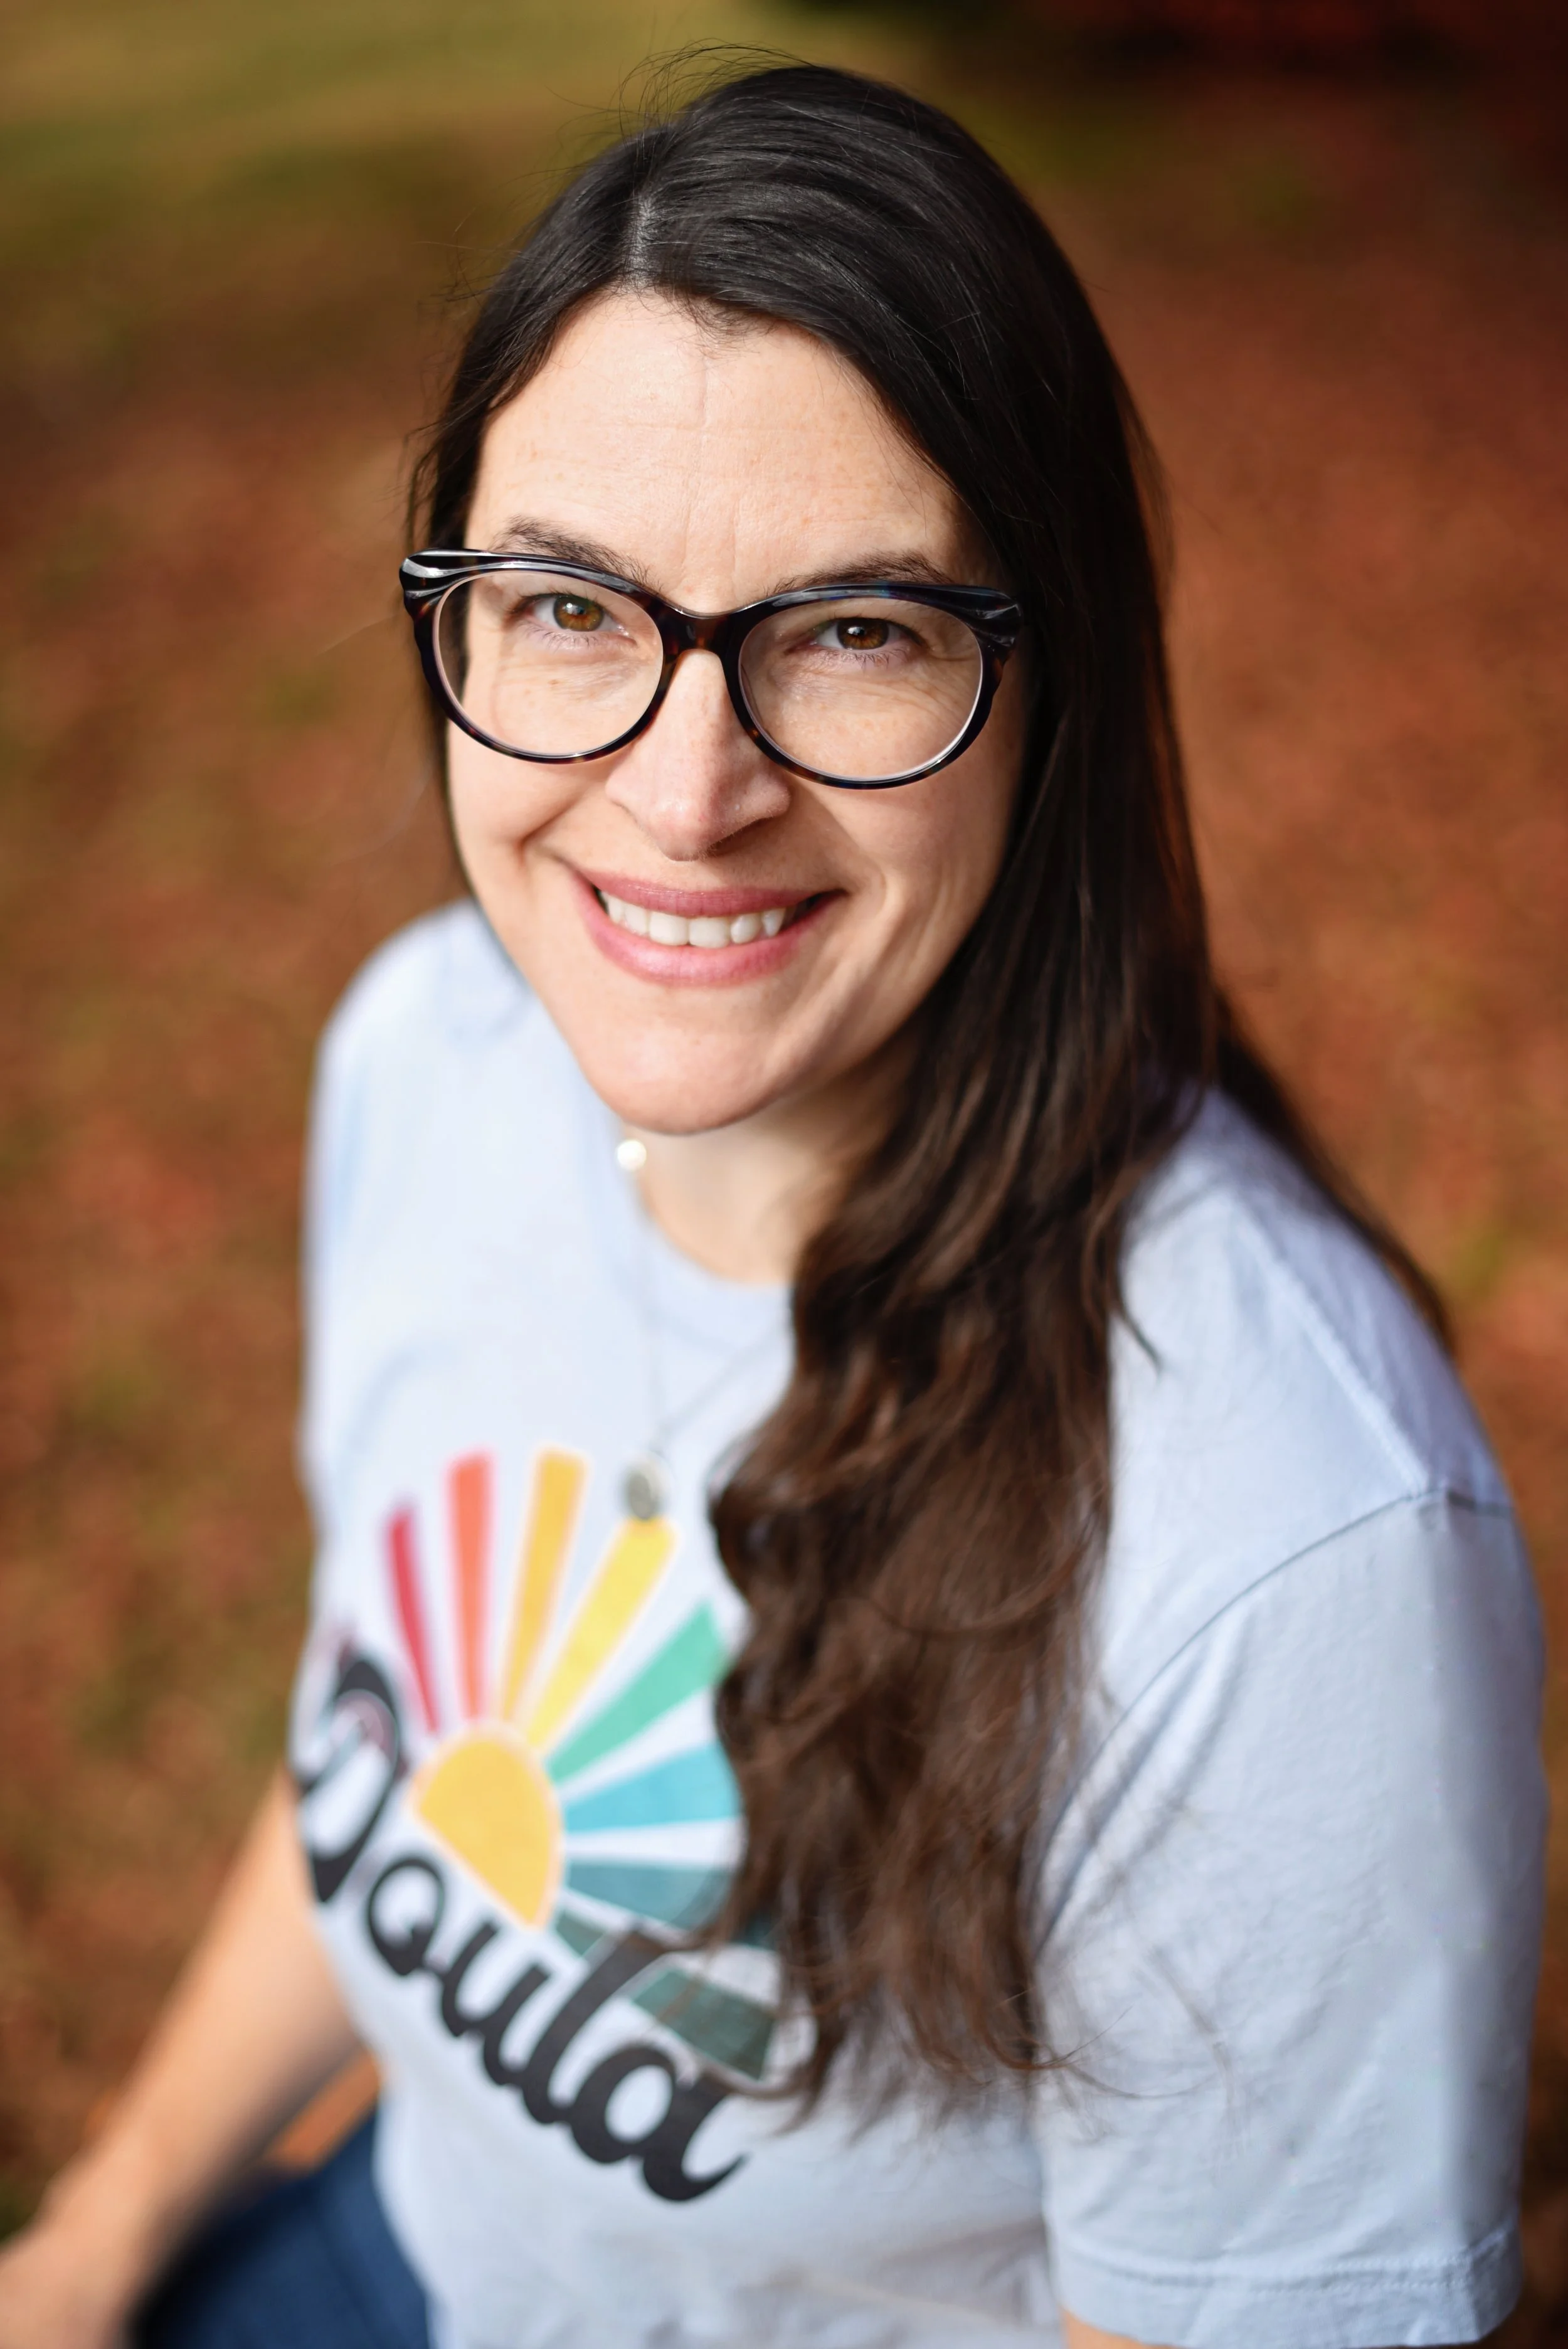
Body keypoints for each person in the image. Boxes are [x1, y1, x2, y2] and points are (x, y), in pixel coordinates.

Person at [0, 58, 1544, 2349]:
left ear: (1056, 694)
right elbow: (403, 1757)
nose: (681, 790)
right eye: (565, 609)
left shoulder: (1277, 1551)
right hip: (385, 2261)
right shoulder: (431, 1059)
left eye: (853, 632)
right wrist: (107, 2239)